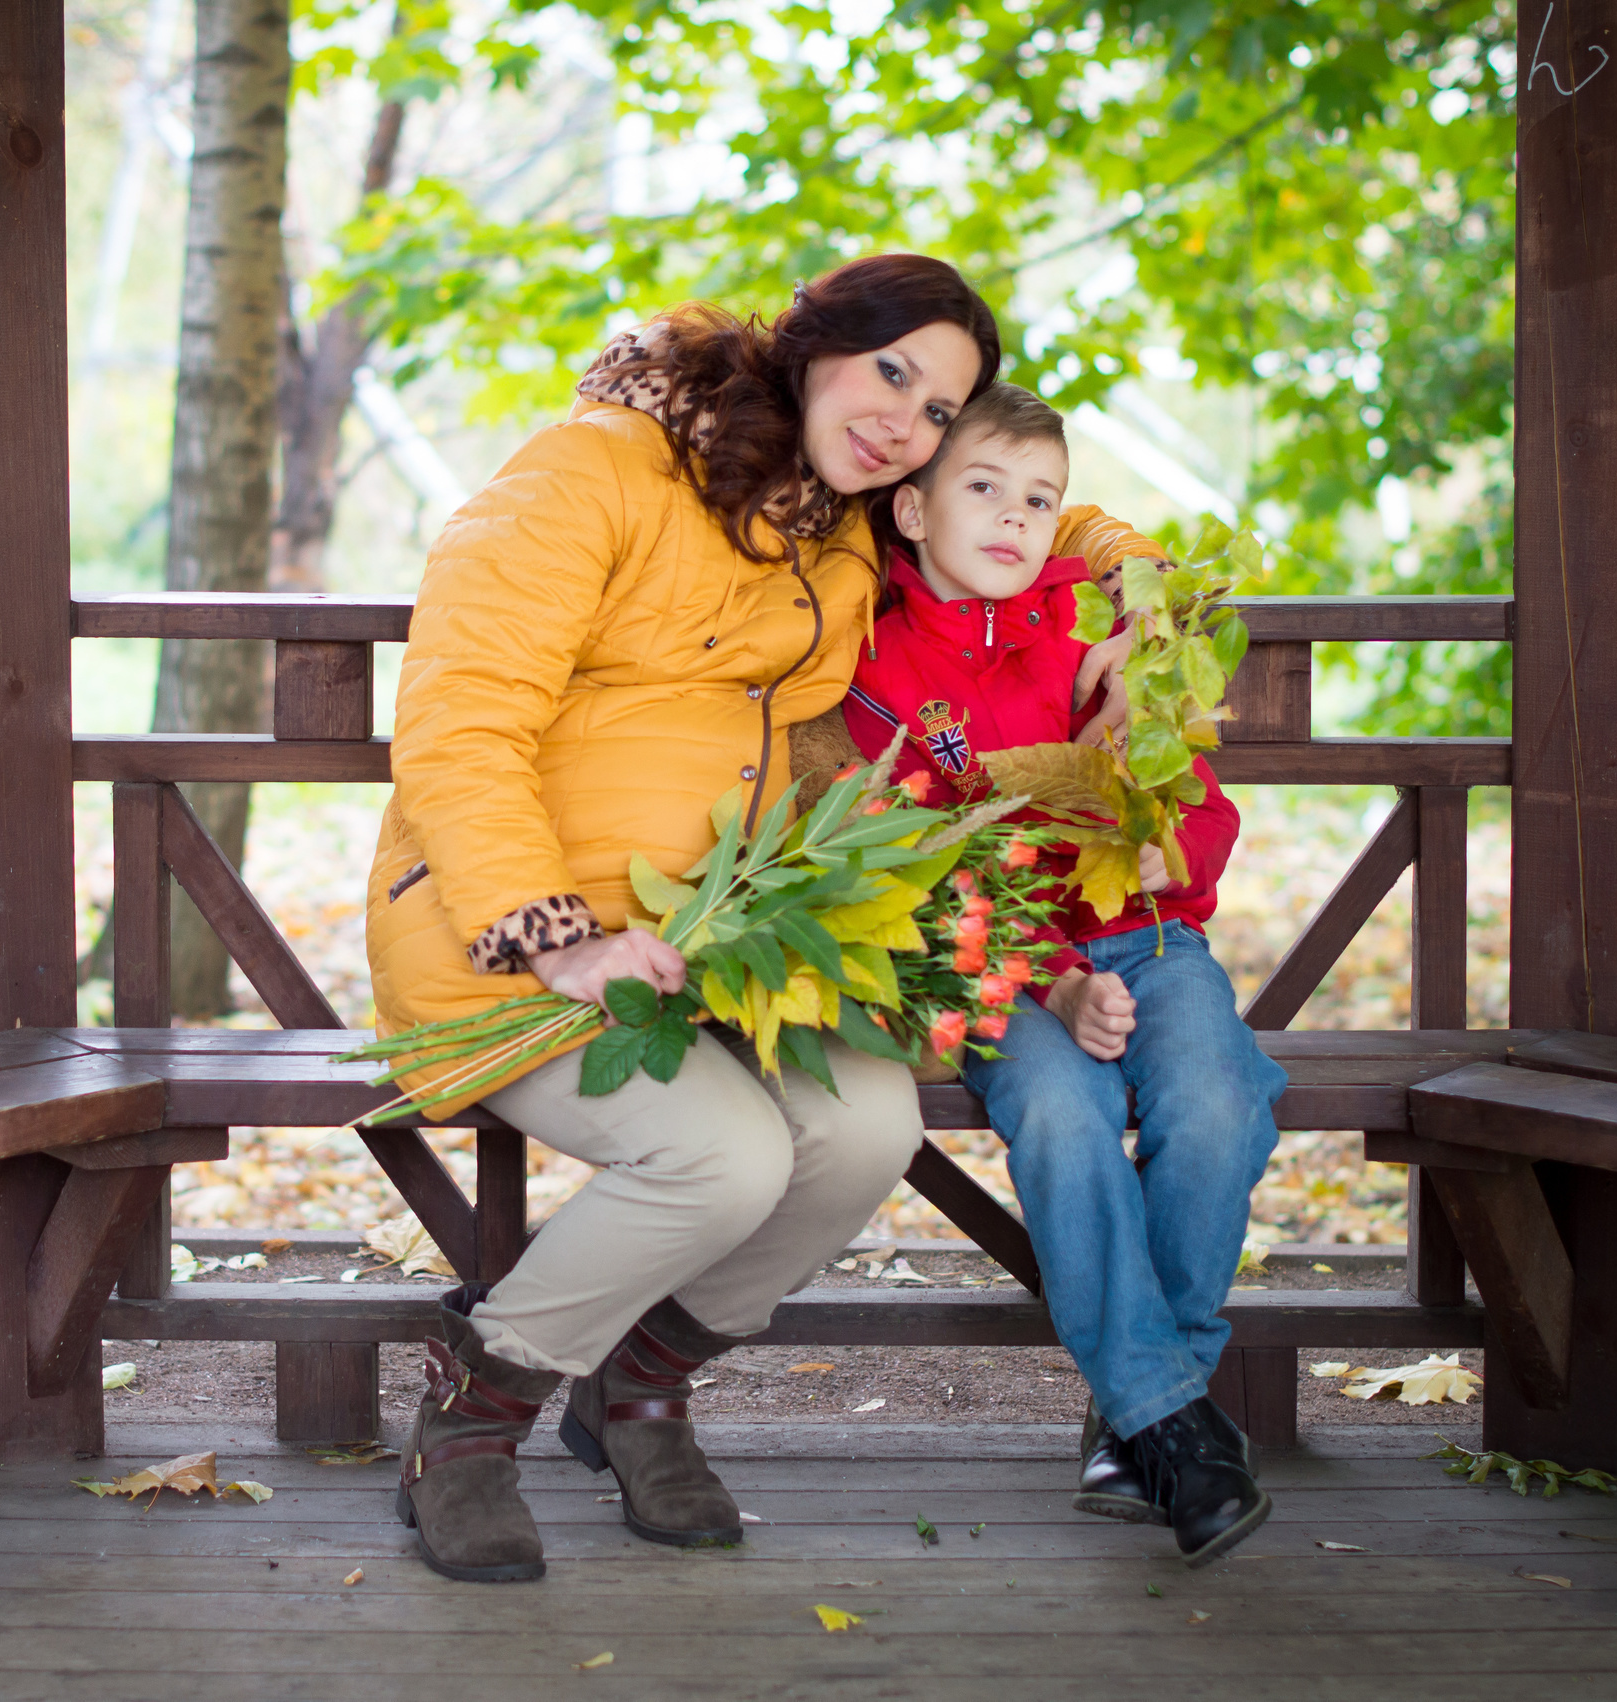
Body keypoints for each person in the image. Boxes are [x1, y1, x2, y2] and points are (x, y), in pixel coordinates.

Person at [366, 258, 1170, 1583]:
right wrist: (555, 930)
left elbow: (1053, 517)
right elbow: (459, 725)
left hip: (724, 934)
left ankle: (639, 1386)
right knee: (724, 1157)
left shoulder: (843, 526)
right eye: (892, 371)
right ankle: (474, 1419)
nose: (905, 419)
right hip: (505, 928)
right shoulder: (593, 471)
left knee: (867, 1128)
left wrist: (1137, 594)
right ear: (813, 346)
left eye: (939, 406)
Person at [840, 381, 1283, 1567]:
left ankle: (1138, 1414)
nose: (1012, 517)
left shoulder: (1099, 627)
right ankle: (1170, 1423)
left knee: (1215, 1097)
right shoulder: (878, 661)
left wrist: (1160, 839)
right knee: (1061, 1112)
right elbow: (924, 876)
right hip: (1008, 971)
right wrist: (1052, 985)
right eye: (981, 488)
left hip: (1149, 936)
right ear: (913, 509)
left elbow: (1198, 812)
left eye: (1038, 499)